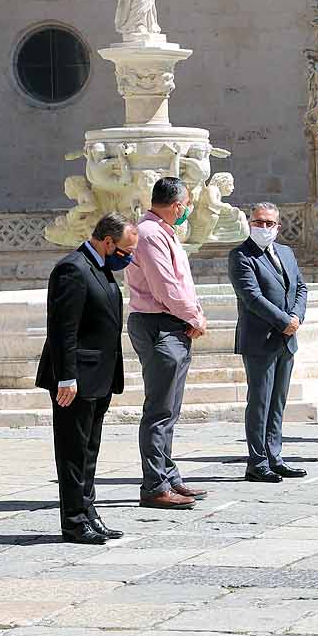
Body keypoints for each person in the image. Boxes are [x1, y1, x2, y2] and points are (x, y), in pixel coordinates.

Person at [37, 213, 135, 545]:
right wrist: (66, 377)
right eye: (126, 248)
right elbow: (62, 329)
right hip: (75, 380)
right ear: (108, 242)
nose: (129, 256)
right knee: (72, 451)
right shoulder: (73, 269)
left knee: (89, 450)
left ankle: (89, 512)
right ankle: (74, 521)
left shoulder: (102, 269)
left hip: (100, 377)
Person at [128, 177, 208, 510]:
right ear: (176, 205)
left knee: (169, 409)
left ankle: (168, 475)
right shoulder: (149, 235)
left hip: (170, 324)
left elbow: (180, 283)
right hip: (159, 325)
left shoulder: (163, 233)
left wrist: (193, 313)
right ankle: (155, 484)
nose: (188, 209)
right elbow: (166, 288)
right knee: (159, 410)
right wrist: (194, 317)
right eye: (186, 204)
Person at [229, 203, 308, 482]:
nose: (263, 227)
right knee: (260, 401)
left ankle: (275, 456)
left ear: (278, 226)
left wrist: (296, 317)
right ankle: (257, 462)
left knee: (278, 401)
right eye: (258, 222)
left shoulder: (286, 252)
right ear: (250, 223)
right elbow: (251, 296)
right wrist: (283, 321)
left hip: (287, 339)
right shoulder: (241, 255)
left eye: (269, 223)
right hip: (260, 339)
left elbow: (300, 287)